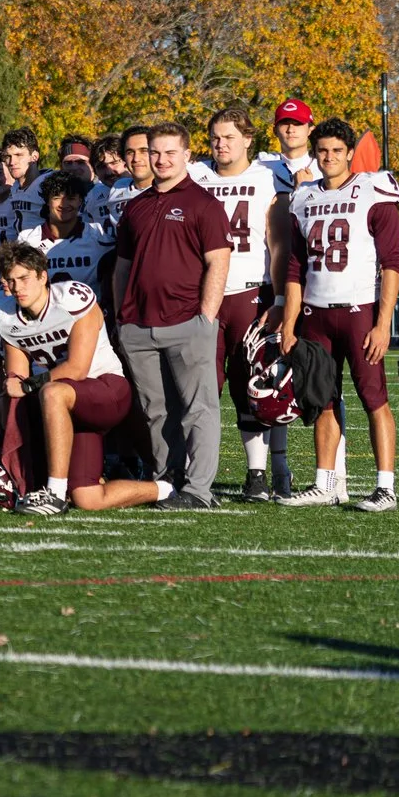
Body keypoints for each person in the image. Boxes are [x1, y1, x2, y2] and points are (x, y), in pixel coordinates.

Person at [275, 118, 399, 511]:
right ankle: (325, 484)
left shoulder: (373, 189)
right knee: (322, 399)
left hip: (359, 311)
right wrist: (289, 324)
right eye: (322, 150)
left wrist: (383, 324)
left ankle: (386, 488)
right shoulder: (304, 196)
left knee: (373, 398)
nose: (329, 157)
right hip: (315, 313)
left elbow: (392, 262)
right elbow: (295, 268)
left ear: (350, 153)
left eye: (336, 150)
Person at [0, 242, 169, 514]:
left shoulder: (71, 300)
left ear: (42, 276)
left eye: (24, 278)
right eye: (11, 281)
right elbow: (17, 383)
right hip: (67, 410)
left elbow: (76, 369)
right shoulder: (3, 314)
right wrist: (1, 438)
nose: (17, 287)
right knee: (87, 497)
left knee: (52, 391)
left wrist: (28, 385)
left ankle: (54, 494)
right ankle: (166, 489)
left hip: (107, 390)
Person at [112, 123, 231, 508]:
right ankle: (167, 483)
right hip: (138, 326)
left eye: (170, 153)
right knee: (156, 411)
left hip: (187, 323)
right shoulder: (136, 206)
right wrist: (122, 317)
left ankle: (199, 490)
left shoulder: (204, 204)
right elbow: (122, 267)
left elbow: (218, 262)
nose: (161, 160)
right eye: (155, 153)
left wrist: (206, 318)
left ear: (187, 156)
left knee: (199, 411)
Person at [192, 107, 292, 499]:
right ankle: (195, 473)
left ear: (248, 139)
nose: (221, 144)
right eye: (215, 137)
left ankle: (257, 474)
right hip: (204, 295)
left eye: (229, 137)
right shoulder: (196, 176)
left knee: (249, 386)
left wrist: (280, 298)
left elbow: (278, 244)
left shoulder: (268, 176)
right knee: (201, 387)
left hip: (250, 292)